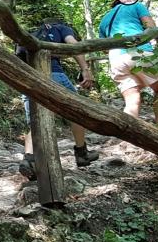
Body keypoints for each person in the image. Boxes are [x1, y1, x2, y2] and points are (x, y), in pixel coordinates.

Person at [17, 18, 99, 180]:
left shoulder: (31, 33)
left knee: (35, 121)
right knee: (77, 112)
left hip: (28, 78)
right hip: (53, 74)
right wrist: (85, 69)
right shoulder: (61, 28)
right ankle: (82, 153)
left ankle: (29, 160)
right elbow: (74, 45)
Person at [98, 0, 158, 125]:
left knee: (131, 101)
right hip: (138, 52)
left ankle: (127, 135)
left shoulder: (104, 19)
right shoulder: (136, 5)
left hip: (116, 60)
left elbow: (104, 48)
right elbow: (151, 27)